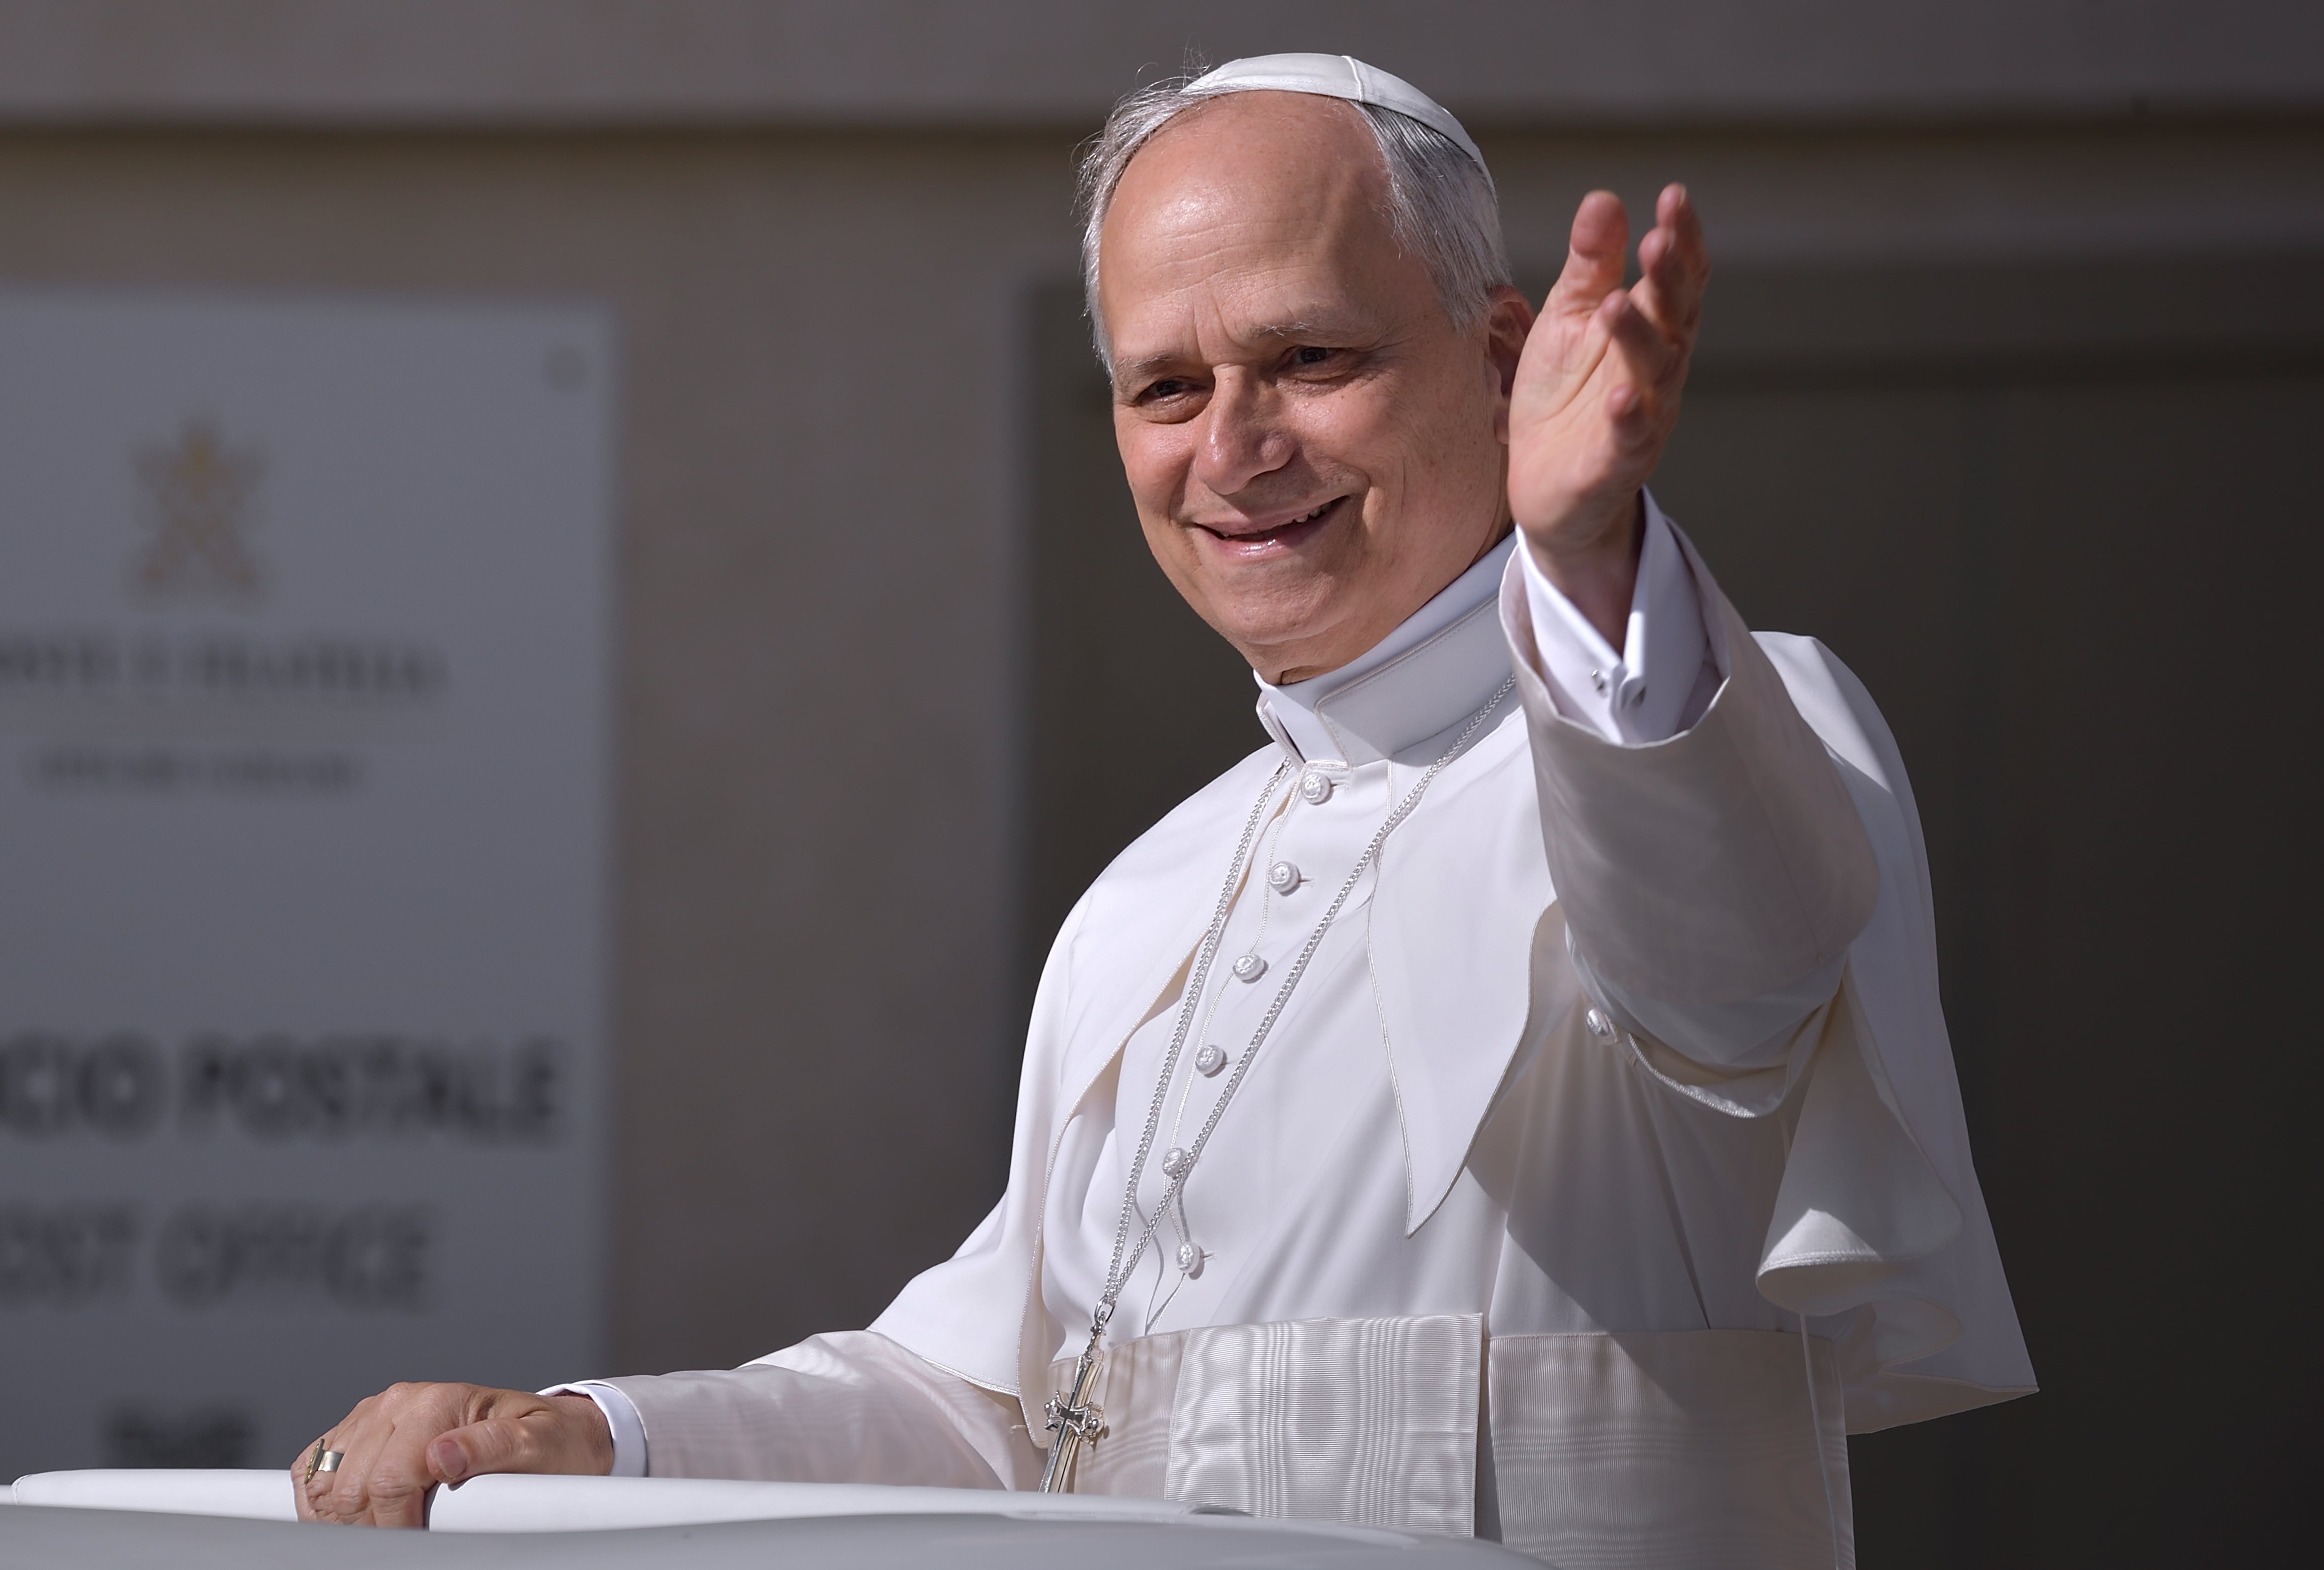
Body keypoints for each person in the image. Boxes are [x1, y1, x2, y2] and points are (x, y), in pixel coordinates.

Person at [290, 54, 2032, 1567]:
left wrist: (1585, 562)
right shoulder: (1151, 894)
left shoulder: (1713, 708)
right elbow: (998, 1412)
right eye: (1166, 387)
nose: (1236, 446)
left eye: (1311, 356)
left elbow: (1724, 976)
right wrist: (593, 1440)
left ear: (1502, 357)